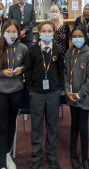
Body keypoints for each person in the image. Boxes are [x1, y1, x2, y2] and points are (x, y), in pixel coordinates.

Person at [0, 19, 28, 169]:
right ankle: (2, 162)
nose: (11, 34)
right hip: (0, 92)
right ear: (3, 33)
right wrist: (2, 73)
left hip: (16, 92)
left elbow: (27, 65)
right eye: (8, 31)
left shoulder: (23, 48)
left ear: (18, 33)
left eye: (14, 32)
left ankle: (7, 153)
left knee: (11, 124)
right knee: (2, 126)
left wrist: (20, 69)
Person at [25, 21, 65, 169]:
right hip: (36, 92)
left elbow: (61, 70)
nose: (47, 34)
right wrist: (30, 88)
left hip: (53, 92)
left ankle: (52, 156)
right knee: (36, 125)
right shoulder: (33, 50)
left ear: (53, 33)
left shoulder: (58, 50)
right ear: (39, 33)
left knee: (52, 125)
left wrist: (60, 87)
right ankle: (36, 157)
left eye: (49, 31)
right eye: (44, 31)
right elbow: (28, 70)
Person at [64, 25, 89, 169]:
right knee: (74, 126)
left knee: (83, 127)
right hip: (71, 97)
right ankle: (73, 156)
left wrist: (79, 94)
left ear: (85, 37)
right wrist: (67, 91)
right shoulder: (69, 53)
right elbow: (65, 74)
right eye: (74, 36)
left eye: (79, 36)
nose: (77, 39)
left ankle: (85, 158)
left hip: (84, 98)